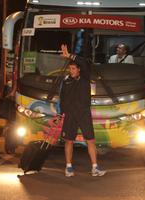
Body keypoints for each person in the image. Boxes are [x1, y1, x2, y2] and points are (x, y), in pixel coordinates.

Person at [59, 44, 106, 177]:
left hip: (84, 114)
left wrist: (70, 56)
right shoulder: (66, 81)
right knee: (68, 141)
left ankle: (95, 168)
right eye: (70, 68)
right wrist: (60, 113)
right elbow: (62, 99)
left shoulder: (84, 77)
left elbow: (84, 63)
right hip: (70, 115)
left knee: (90, 140)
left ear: (79, 70)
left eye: (74, 68)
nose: (71, 70)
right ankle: (68, 167)